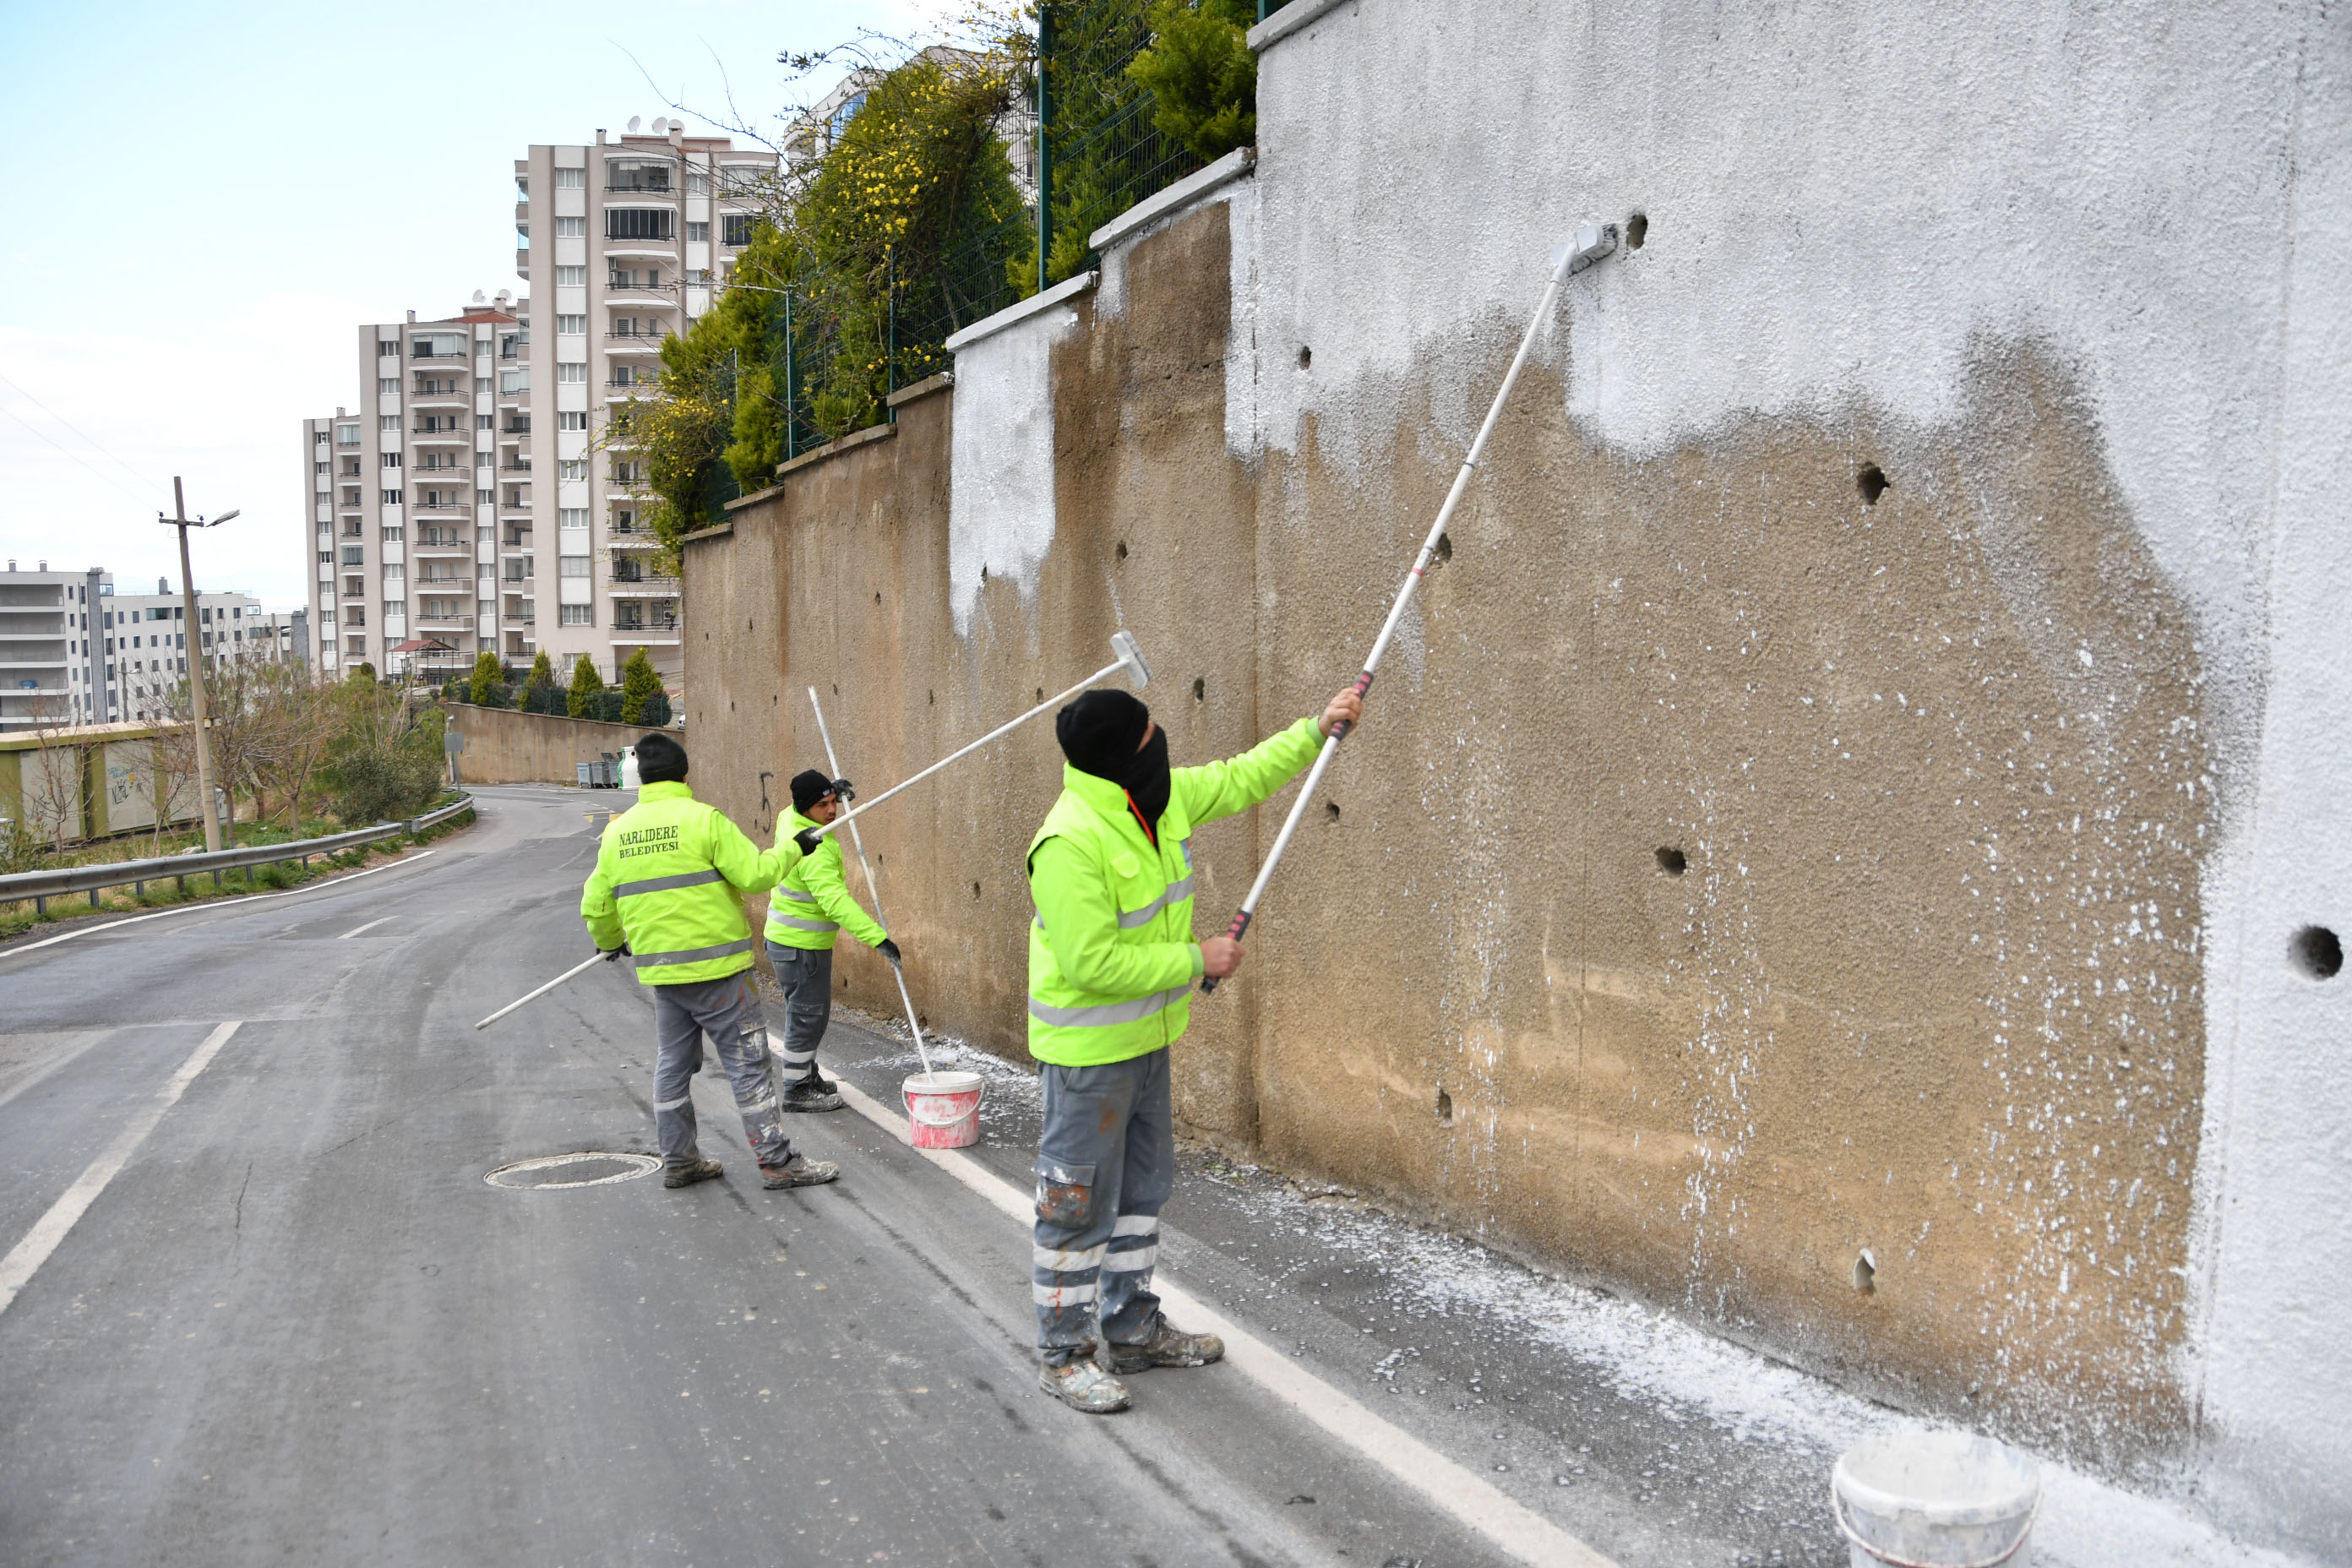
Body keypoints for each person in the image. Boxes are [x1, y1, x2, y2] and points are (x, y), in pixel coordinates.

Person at [1025, 682, 1364, 1413]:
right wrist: (1195, 961)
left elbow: (1239, 778)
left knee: (1142, 1196)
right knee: (1077, 1206)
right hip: (1088, 1060)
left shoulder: (1152, 798)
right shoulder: (1068, 841)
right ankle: (1063, 1354)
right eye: (1150, 734)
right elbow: (1090, 965)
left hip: (1148, 1044)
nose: (1162, 739)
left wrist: (1315, 730)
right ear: (1121, 756)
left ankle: (1133, 1329)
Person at [580, 732, 840, 1191]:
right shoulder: (704, 820)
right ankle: (777, 1162)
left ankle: (679, 1160)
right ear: (684, 774)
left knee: (672, 1066)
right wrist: (796, 847)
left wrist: (611, 940)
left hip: (663, 973)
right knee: (748, 1065)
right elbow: (756, 875)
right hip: (720, 974)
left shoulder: (617, 832)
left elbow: (597, 905)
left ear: (642, 778)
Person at [763, 770, 902, 1112]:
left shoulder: (789, 818)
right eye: (823, 805)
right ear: (805, 807)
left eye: (833, 802)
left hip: (791, 944)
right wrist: (880, 940)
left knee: (810, 1014)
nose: (832, 811)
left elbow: (797, 800)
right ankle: (797, 1089)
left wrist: (831, 790)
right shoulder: (814, 852)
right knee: (807, 1017)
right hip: (800, 948)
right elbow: (836, 902)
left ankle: (806, 1075)